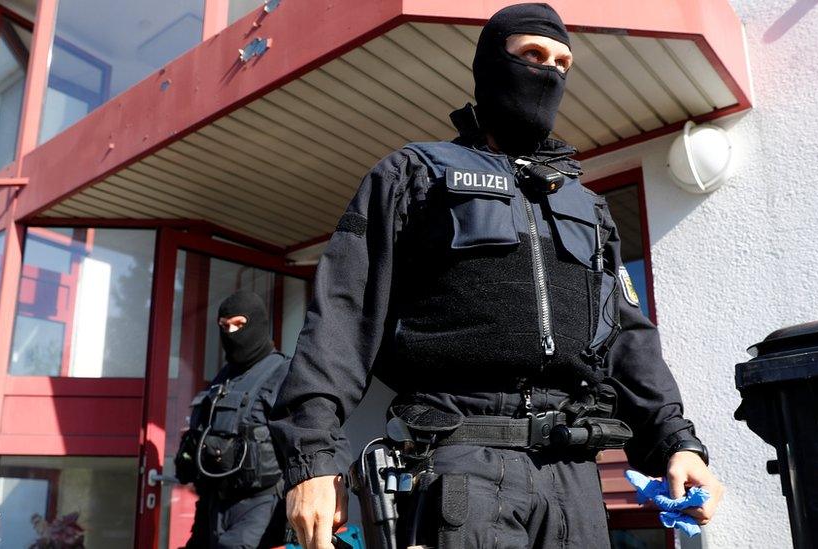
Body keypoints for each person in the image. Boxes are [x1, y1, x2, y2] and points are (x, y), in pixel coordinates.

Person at [269, 3, 724, 549]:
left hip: (572, 475)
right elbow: (342, 316)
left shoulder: (585, 205)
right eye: (532, 55)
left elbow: (627, 339)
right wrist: (313, 457)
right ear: (489, 65)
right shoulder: (414, 176)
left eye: (562, 62)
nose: (548, 71)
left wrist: (677, 444)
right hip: (461, 465)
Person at [176, 290, 291, 549]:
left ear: (258, 323)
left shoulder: (283, 374)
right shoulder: (222, 379)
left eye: (239, 324)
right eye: (224, 326)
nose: (231, 333)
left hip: (262, 511)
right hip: (212, 508)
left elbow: (312, 440)